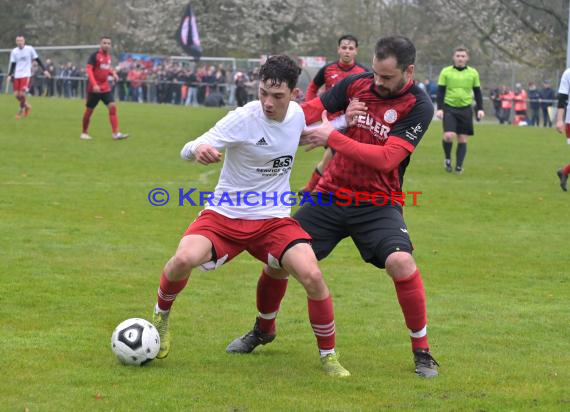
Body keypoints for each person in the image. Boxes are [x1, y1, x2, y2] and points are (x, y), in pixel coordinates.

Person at [228, 36, 440, 378]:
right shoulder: (356, 84)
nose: (378, 82)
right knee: (277, 260)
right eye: (375, 73)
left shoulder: (418, 105)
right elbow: (311, 111)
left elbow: (387, 160)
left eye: (386, 77)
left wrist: (333, 135)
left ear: (408, 71)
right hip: (330, 195)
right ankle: (263, 330)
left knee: (401, 262)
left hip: (378, 203)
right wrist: (269, 114)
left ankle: (423, 351)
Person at [150, 55, 351, 377]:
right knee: (182, 259)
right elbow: (189, 147)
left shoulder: (297, 115)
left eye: (277, 96)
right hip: (225, 215)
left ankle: (329, 356)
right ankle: (160, 317)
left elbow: (299, 136)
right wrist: (198, 150)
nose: (268, 103)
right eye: (263, 93)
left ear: (294, 95)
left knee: (311, 275)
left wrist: (344, 122)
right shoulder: (243, 117)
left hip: (272, 218)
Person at [299, 35, 369, 195]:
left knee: (335, 157)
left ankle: (314, 189)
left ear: (356, 51)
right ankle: (316, 189)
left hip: (351, 124)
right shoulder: (328, 69)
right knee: (333, 157)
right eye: (344, 47)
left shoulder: (363, 72)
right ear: (338, 49)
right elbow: (313, 87)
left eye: (351, 48)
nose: (347, 51)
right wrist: (312, 107)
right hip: (330, 122)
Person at [436, 47, 484, 174]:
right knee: (448, 136)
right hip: (449, 108)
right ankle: (447, 159)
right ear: (453, 57)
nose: (460, 58)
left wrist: (480, 109)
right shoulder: (446, 72)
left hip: (466, 109)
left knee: (462, 138)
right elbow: (440, 91)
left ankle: (458, 166)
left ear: (467, 58)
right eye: (458, 56)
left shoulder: (473, 73)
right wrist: (439, 108)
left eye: (463, 56)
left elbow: (478, 92)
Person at [80, 36, 128, 141]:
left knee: (112, 107)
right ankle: (84, 132)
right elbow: (89, 70)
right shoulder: (94, 56)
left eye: (108, 43)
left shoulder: (108, 57)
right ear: (100, 44)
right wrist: (94, 85)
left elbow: (106, 69)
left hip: (105, 88)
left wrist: (113, 73)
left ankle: (115, 133)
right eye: (104, 43)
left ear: (110, 45)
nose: (106, 45)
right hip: (94, 89)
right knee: (89, 110)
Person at [7, 35, 51, 119]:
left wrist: (45, 70)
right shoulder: (14, 51)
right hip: (17, 75)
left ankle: (21, 111)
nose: (19, 42)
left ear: (24, 41)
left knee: (22, 94)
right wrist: (9, 75)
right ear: (16, 42)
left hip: (26, 75)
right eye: (18, 41)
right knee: (16, 95)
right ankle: (27, 106)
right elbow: (13, 64)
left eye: (21, 41)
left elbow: (38, 59)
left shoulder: (29, 49)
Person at [555, 68, 570, 192]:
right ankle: (564, 171)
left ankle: (564, 171)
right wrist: (559, 120)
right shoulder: (568, 73)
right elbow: (562, 98)